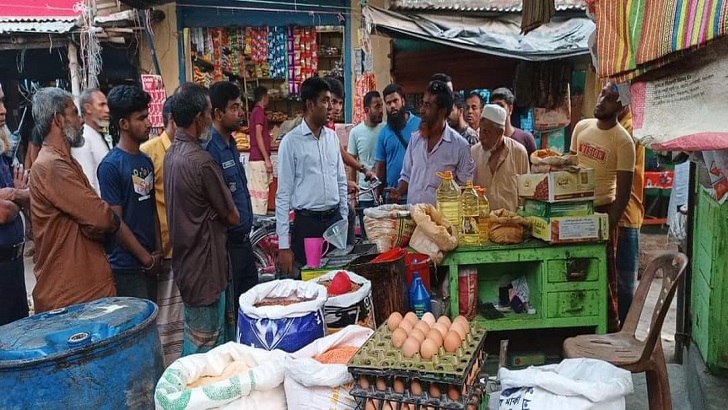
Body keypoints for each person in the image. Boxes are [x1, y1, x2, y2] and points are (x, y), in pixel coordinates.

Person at [29, 87, 157, 313]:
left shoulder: (65, 161)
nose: (80, 121)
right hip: (70, 291)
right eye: (75, 114)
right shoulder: (52, 165)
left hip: (85, 284)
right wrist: (100, 221)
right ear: (59, 120)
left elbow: (98, 216)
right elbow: (103, 218)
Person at [165, 83, 240, 355]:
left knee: (199, 341)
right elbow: (232, 215)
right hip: (206, 269)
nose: (211, 119)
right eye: (209, 113)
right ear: (199, 118)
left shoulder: (172, 153)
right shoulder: (202, 162)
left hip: (189, 266)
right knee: (207, 349)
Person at [570, 81, 635, 332]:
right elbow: (569, 166)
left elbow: (623, 194)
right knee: (574, 272)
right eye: (602, 94)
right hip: (573, 210)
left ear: (621, 106)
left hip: (602, 214)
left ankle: (608, 329)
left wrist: (608, 226)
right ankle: (576, 324)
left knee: (603, 276)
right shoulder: (581, 127)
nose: (601, 100)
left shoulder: (623, 141)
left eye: (610, 98)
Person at [276, 77, 348, 275]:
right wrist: (283, 245)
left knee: (336, 279)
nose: (330, 107)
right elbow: (282, 195)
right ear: (310, 105)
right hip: (307, 225)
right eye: (325, 101)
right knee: (309, 282)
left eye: (332, 101)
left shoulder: (332, 138)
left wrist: (343, 218)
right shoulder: (291, 143)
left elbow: (340, 180)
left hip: (333, 221)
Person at [98, 85, 161, 302]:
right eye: (141, 118)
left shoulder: (145, 161)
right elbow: (116, 223)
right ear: (124, 124)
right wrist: (146, 259)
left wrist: (158, 252)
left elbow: (151, 209)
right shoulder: (111, 166)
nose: (149, 123)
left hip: (150, 261)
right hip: (127, 267)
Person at [205, 81, 257, 314]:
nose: (240, 112)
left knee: (251, 305)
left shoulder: (232, 143)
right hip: (227, 247)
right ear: (218, 113)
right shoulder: (210, 149)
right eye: (235, 107)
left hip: (245, 242)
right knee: (234, 312)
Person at [140, 96, 183, 365]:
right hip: (163, 247)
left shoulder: (188, 150)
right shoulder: (149, 152)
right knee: (165, 318)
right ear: (173, 120)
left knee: (180, 317)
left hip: (185, 247)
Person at [386, 80, 474, 206]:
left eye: (427, 105)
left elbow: (465, 188)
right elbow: (406, 176)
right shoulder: (415, 139)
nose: (421, 110)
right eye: (423, 103)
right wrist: (398, 192)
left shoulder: (460, 146)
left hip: (442, 222)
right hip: (413, 218)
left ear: (442, 111)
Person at [324, 77, 373, 245]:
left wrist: (363, 169)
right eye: (333, 102)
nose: (336, 108)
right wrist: (344, 184)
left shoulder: (329, 128)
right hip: (322, 201)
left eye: (339, 103)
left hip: (334, 191)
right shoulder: (319, 129)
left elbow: (342, 154)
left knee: (350, 214)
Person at [0, 85, 30, 325]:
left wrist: (16, 195)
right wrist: (19, 195)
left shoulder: (3, 153)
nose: (3, 110)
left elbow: (28, 194)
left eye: (2, 101)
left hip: (13, 265)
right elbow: (3, 211)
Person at [616, 105, 645, 324]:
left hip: (626, 218)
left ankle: (625, 333)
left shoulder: (629, 128)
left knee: (624, 286)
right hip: (612, 216)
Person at [471, 104, 530, 211]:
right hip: (482, 224)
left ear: (500, 133)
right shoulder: (473, 153)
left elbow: (527, 194)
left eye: (486, 132)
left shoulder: (519, 152)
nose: (481, 137)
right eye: (480, 130)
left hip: (511, 224)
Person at [374, 84, 421, 201]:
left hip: (416, 195)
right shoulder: (383, 133)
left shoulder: (420, 126)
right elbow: (380, 167)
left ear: (403, 101)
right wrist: (378, 193)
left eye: (396, 101)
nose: (393, 106)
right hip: (393, 197)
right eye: (388, 103)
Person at [348, 91, 384, 239]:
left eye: (381, 106)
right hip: (364, 194)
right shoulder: (356, 132)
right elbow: (352, 163)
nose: (381, 110)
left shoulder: (385, 130)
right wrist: (354, 196)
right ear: (367, 110)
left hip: (382, 192)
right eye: (377, 106)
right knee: (367, 237)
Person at [71, 88, 112, 194]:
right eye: (101, 105)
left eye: (107, 105)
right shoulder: (83, 139)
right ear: (88, 108)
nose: (107, 110)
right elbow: (87, 183)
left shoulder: (96, 135)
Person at [490, 88, 537, 159]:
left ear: (510, 109)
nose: (497, 110)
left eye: (501, 106)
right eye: (494, 107)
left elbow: (534, 167)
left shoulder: (526, 139)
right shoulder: (488, 140)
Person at [248, 86, 273, 215]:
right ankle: (258, 227)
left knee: (258, 196)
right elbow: (258, 135)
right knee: (260, 197)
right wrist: (267, 159)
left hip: (257, 158)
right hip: (259, 159)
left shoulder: (256, 112)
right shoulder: (258, 112)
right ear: (264, 97)